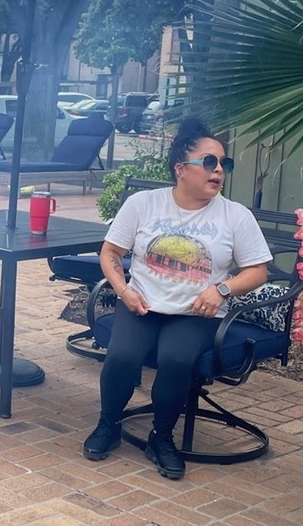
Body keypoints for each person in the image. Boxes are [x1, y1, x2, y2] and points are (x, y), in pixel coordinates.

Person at [82, 116, 272, 479]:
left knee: (175, 359)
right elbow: (109, 253)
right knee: (122, 356)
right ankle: (109, 424)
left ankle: (162, 437)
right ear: (181, 169)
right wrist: (124, 290)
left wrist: (221, 289)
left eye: (224, 164)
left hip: (194, 313)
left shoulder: (235, 216)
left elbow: (257, 271)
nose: (219, 170)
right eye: (209, 162)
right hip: (141, 304)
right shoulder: (144, 204)